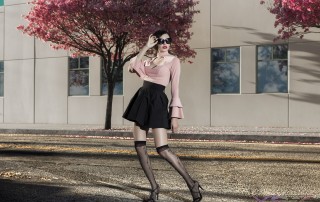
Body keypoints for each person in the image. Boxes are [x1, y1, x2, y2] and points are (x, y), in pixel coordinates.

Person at [123, 30, 203, 202]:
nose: (165, 43)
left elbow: (175, 90)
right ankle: (154, 188)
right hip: (142, 100)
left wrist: (174, 116)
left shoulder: (173, 61)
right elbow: (132, 67)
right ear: (156, 42)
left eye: (168, 40)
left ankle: (192, 183)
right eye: (161, 40)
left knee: (163, 149)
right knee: (139, 146)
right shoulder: (147, 60)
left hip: (158, 101)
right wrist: (146, 46)